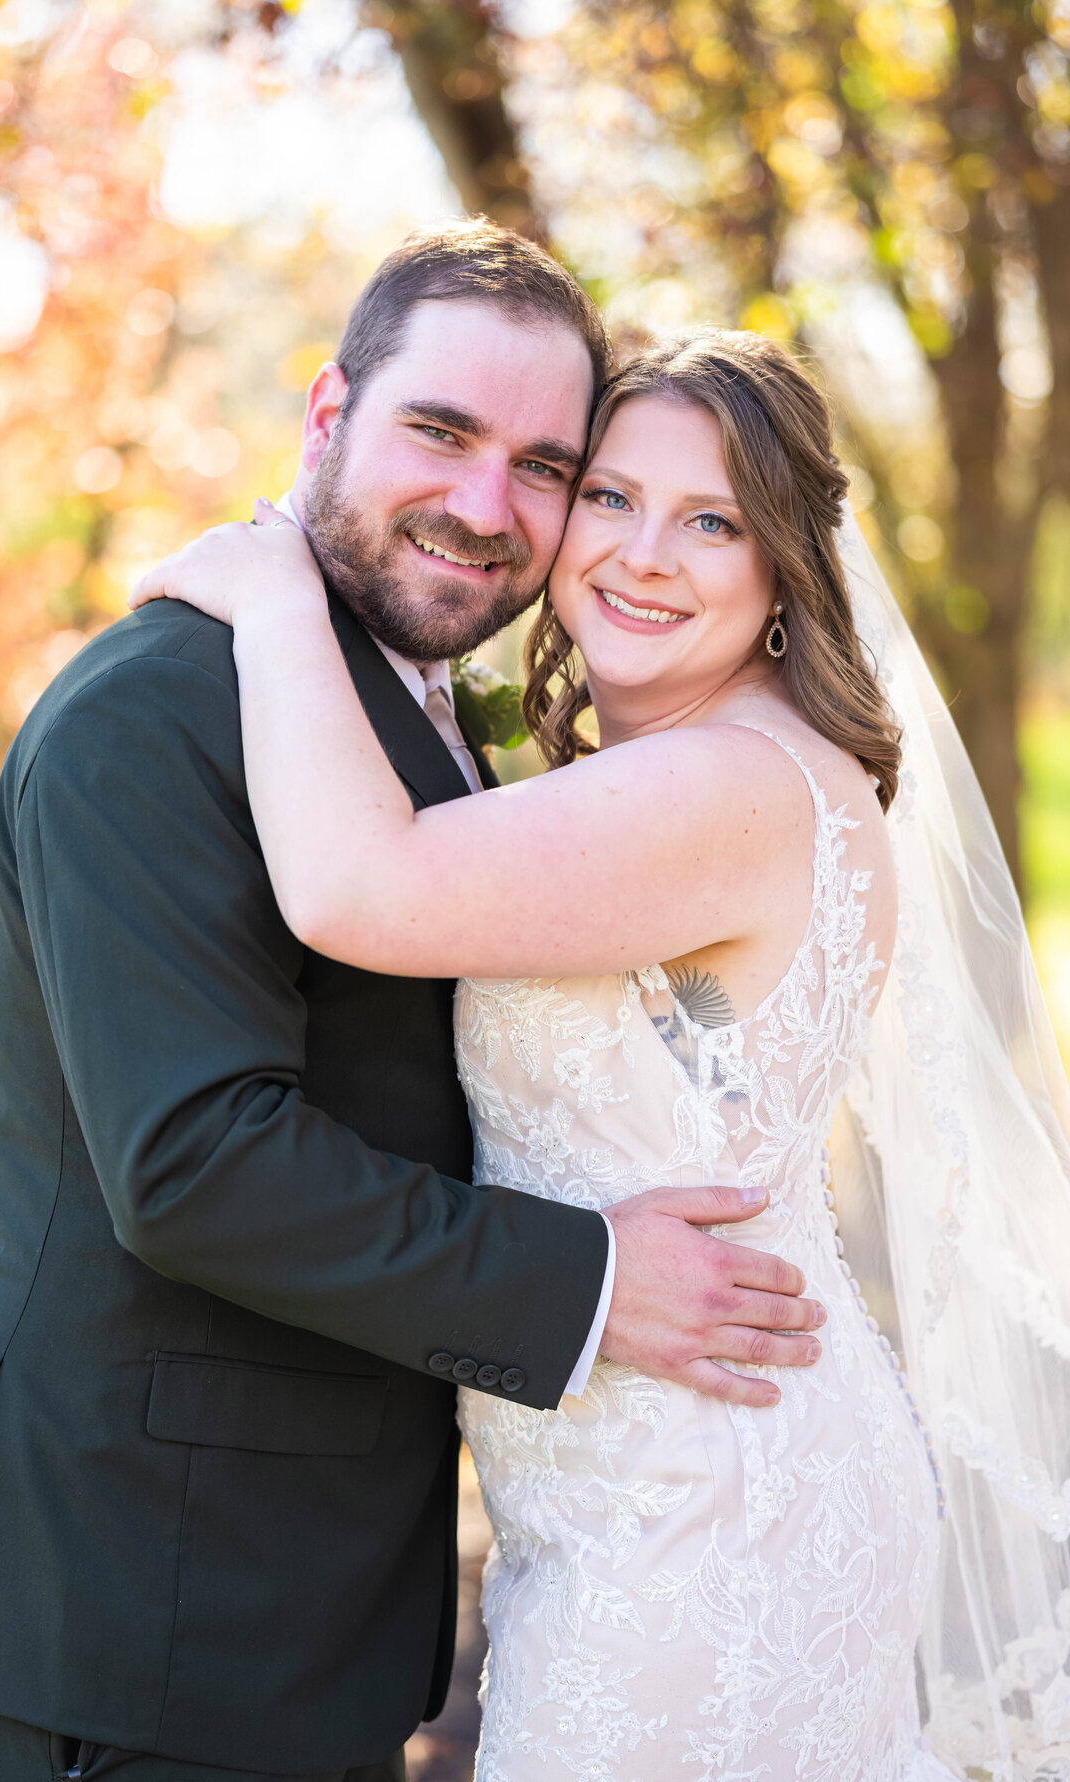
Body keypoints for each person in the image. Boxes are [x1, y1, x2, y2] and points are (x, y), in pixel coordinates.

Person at [0, 225, 827, 1782]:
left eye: (542, 465)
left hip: (281, 1614)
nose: (482, 506)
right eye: (438, 433)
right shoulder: (157, 719)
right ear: (327, 416)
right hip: (117, 1614)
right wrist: (590, 1280)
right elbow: (195, 1161)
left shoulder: (398, 708)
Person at [129, 325, 1070, 1779]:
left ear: (782, 577)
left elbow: (352, 890)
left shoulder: (725, 785)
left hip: (704, 1506)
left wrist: (274, 601)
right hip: (678, 1466)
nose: (641, 554)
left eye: (712, 521)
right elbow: (696, 1062)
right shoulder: (723, 779)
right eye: (613, 497)